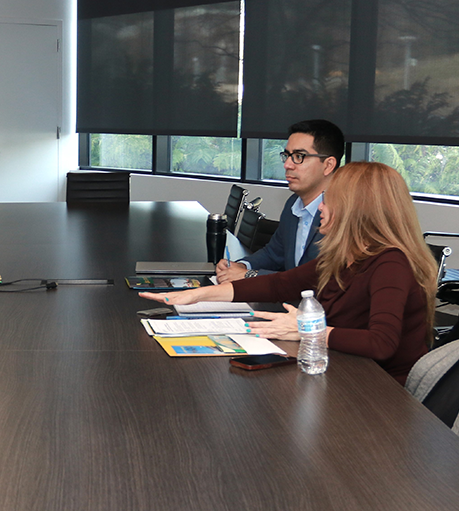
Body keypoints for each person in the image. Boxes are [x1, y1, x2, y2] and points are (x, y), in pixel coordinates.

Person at [143, 162, 438, 384]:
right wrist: (199, 295)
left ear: (355, 209)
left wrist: (308, 330)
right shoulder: (343, 256)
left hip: (382, 394)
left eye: (329, 199)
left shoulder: (391, 264)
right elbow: (280, 285)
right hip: (343, 371)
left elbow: (381, 343)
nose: (321, 207)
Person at [216, 119, 345, 283]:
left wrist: (249, 275)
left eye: (299, 156)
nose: (288, 165)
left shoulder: (344, 213)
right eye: (287, 156)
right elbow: (274, 254)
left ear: (328, 165)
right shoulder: (293, 203)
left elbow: (319, 279)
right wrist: (242, 265)